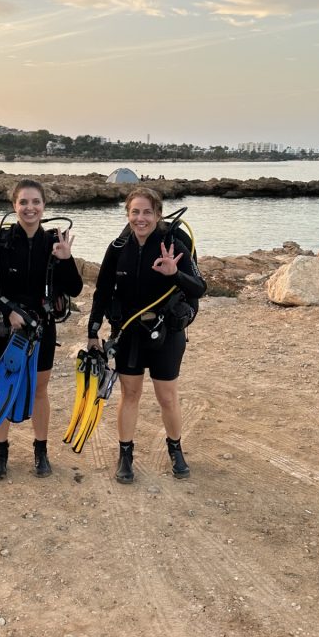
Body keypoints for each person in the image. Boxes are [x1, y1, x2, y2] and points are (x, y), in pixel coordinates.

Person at [87, 186, 206, 484]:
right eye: (135, 212)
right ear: (127, 214)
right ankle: (125, 456)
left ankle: (176, 450)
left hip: (167, 333)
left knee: (167, 397)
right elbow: (102, 292)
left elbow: (199, 289)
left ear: (158, 214)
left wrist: (174, 274)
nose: (141, 219)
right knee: (130, 394)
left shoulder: (176, 243)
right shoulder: (117, 248)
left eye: (147, 212)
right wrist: (93, 331)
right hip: (128, 333)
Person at [0, 179, 82, 479]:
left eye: (36, 202)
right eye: (24, 202)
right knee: (4, 385)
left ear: (44, 206)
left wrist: (67, 260)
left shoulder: (54, 243)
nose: (30, 208)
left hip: (42, 328)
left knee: (40, 391)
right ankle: (1, 453)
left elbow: (75, 288)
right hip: (6, 329)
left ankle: (41, 451)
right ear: (14, 206)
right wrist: (8, 311)